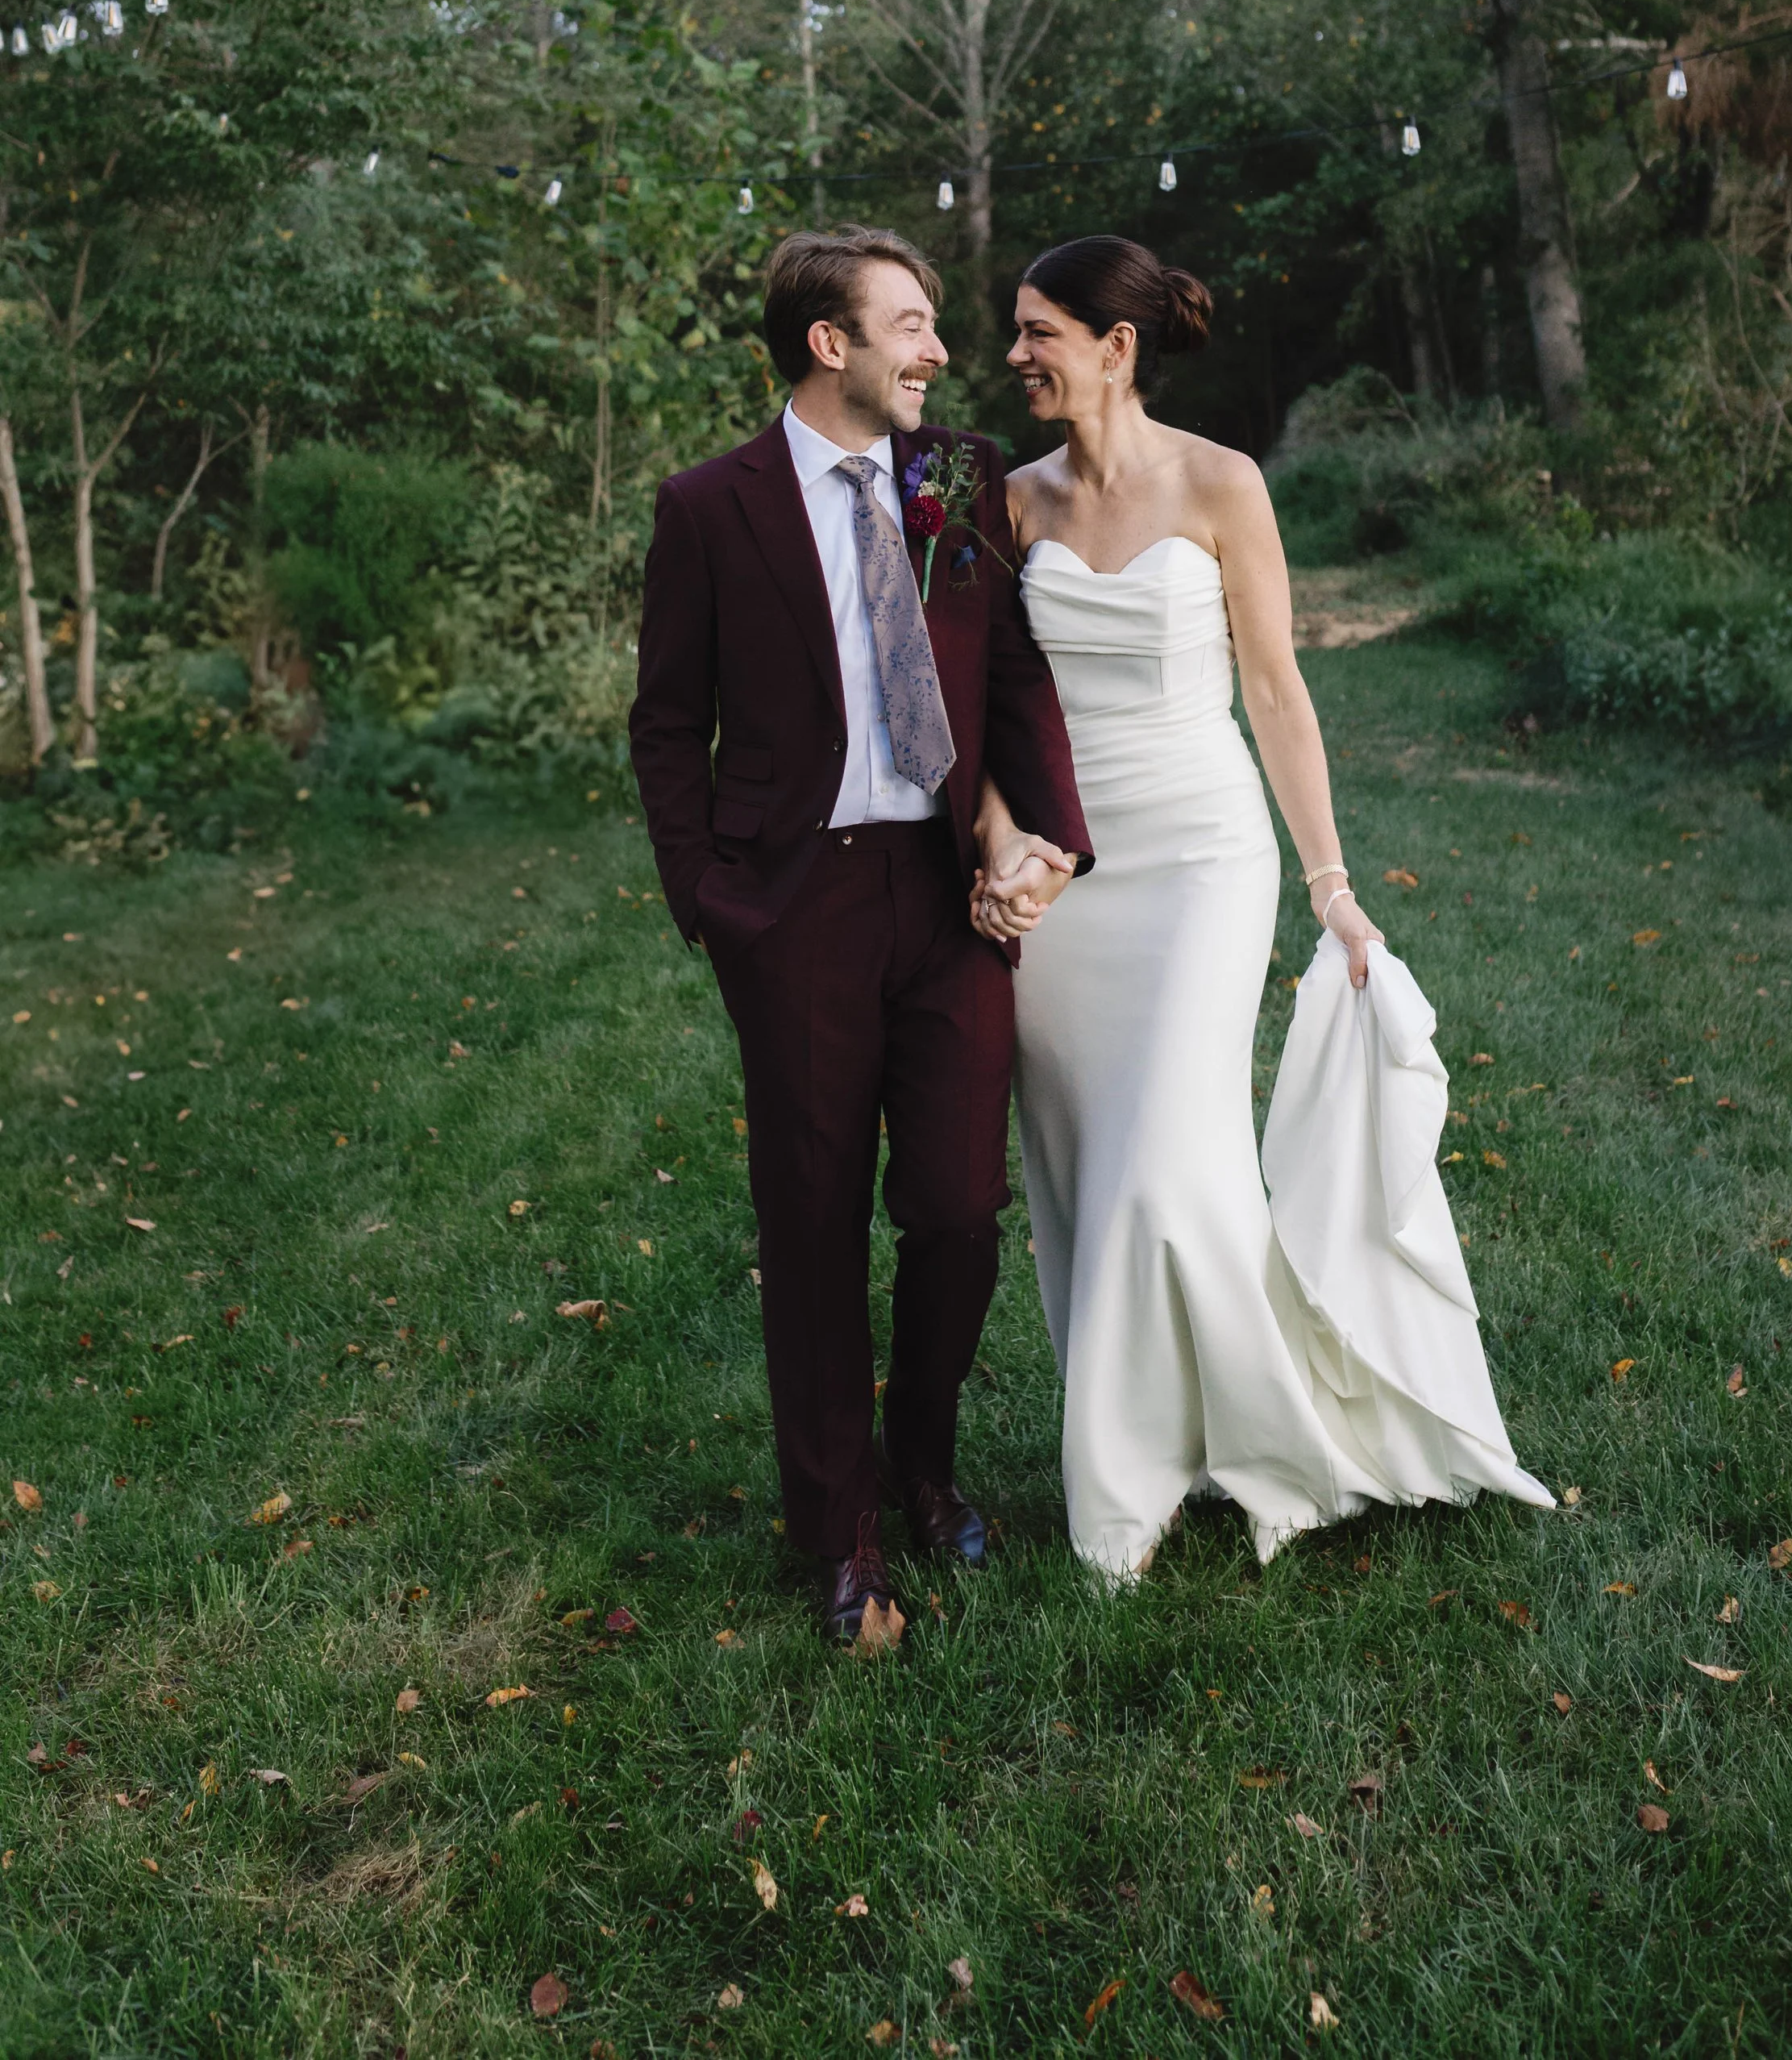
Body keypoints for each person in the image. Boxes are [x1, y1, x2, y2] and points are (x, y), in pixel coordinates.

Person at [974, 235, 1551, 1578]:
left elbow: (1279, 692)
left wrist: (1333, 887)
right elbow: (987, 710)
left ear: (1116, 347)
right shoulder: (1008, 503)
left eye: (1038, 330)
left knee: (1172, 1157)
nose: (1015, 355)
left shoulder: (1222, 482)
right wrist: (1006, 846)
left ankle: (1240, 1446)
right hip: (1066, 875)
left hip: (1201, 855)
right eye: (1012, 330)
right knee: (1083, 1171)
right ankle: (1142, 1451)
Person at [629, 228, 1092, 1643]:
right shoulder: (711, 508)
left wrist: (1049, 833)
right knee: (814, 1221)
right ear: (829, 344)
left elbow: (1012, 668)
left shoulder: (949, 477)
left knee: (957, 1206)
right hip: (798, 908)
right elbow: (667, 725)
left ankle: (925, 1460)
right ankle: (839, 1531)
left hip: (945, 893)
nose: (940, 350)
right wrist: (714, 903)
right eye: (912, 324)